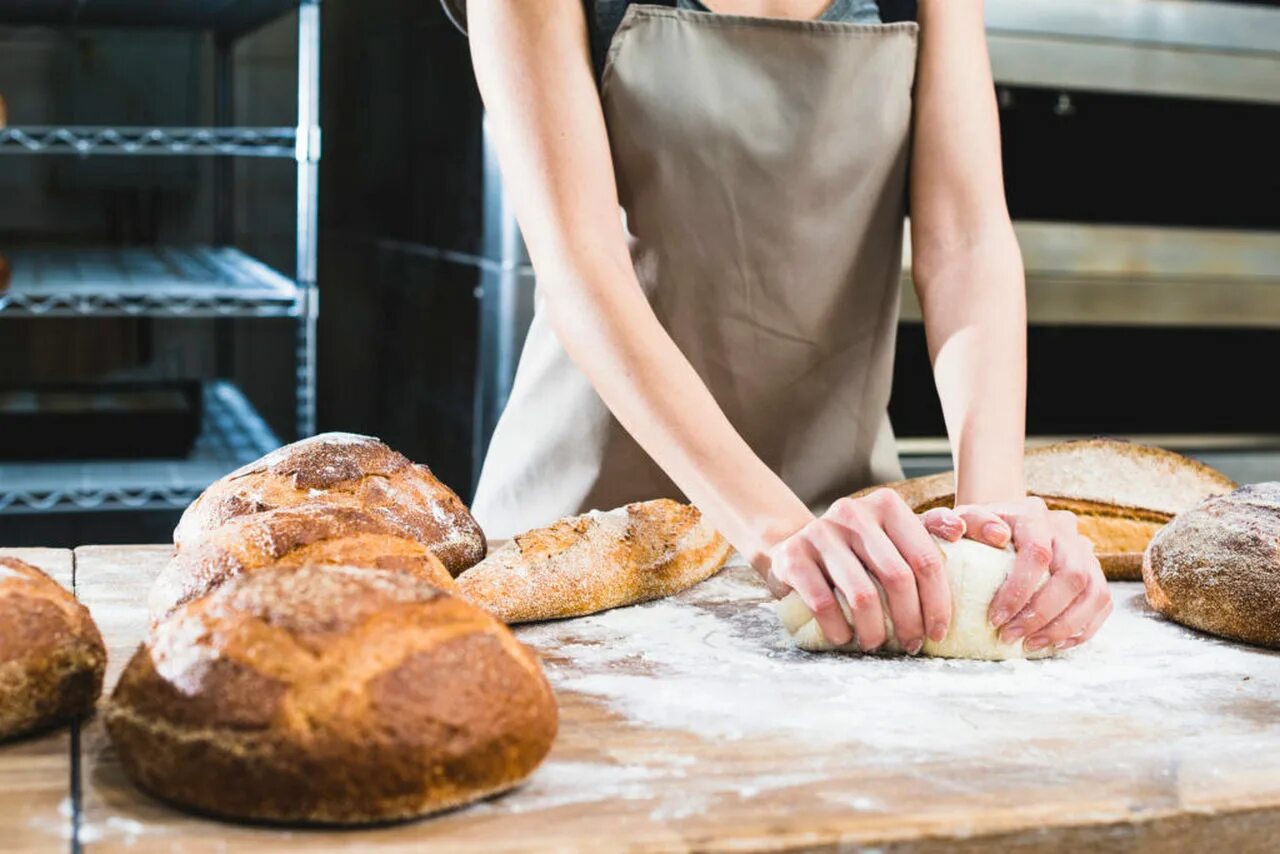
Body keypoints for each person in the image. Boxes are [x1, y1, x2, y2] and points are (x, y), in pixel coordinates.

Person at [445, 0, 1112, 654]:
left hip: (851, 544)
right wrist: (779, 533)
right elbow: (582, 271)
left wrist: (991, 524)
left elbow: (966, 241)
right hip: (586, 548)